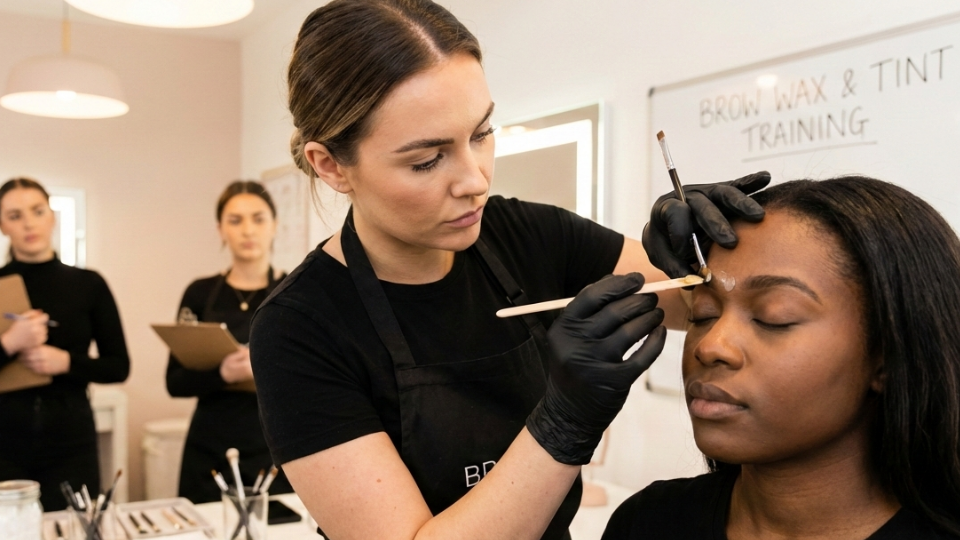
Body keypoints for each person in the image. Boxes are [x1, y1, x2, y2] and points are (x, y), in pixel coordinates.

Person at [248, 1, 769, 539]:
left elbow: (701, 299)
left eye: (481, 134)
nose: (475, 180)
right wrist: (563, 423)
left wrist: (696, 254)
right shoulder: (299, 328)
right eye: (427, 160)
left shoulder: (528, 235)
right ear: (331, 165)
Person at [603, 176, 960, 539]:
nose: (709, 346)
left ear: (886, 360)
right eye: (703, 314)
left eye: (774, 317)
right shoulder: (648, 522)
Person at [0, 177, 130, 511]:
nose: (28, 223)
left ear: (52, 216)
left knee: (74, 527)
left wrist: (66, 362)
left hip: (71, 443)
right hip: (5, 443)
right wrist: (9, 344)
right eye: (14, 216)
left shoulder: (88, 284)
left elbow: (118, 366)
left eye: (37, 211)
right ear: (2, 226)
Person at [166, 180, 292, 503]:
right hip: (209, 446)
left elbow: (317, 379)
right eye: (235, 221)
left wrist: (260, 370)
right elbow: (175, 382)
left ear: (275, 226)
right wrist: (222, 373)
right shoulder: (199, 293)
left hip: (275, 446)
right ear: (220, 229)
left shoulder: (296, 291)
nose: (248, 230)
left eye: (258, 219)